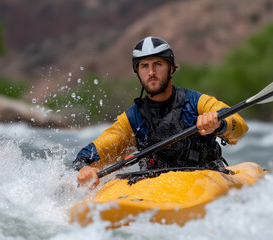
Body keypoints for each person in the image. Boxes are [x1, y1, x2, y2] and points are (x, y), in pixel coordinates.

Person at [72, 36, 248, 189]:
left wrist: (220, 123)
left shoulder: (197, 102)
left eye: (158, 64)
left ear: (171, 68)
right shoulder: (132, 119)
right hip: (156, 187)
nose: (151, 72)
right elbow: (99, 149)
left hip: (204, 180)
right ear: (138, 73)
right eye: (144, 66)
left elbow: (239, 126)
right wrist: (84, 166)